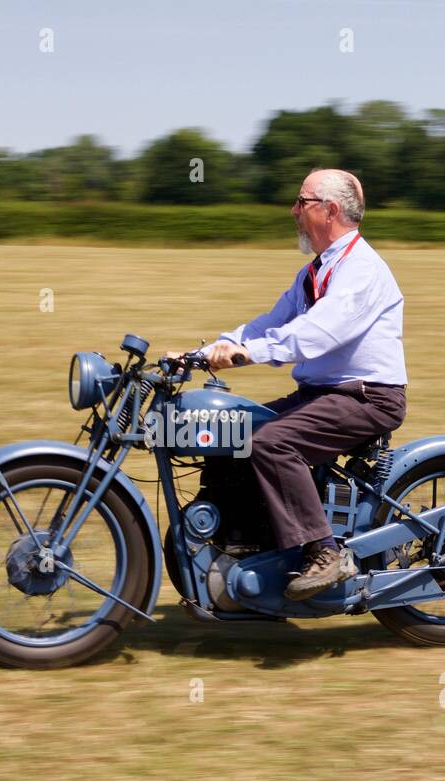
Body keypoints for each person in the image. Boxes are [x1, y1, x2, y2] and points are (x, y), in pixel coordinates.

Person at [166, 168, 407, 600]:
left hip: (366, 396)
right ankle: (244, 546)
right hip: (321, 394)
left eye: (302, 202)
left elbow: (317, 334)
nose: (294, 211)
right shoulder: (314, 272)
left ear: (330, 210)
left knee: (271, 443)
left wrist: (249, 354)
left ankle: (324, 553)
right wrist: (199, 355)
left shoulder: (362, 269)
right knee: (231, 433)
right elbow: (269, 323)